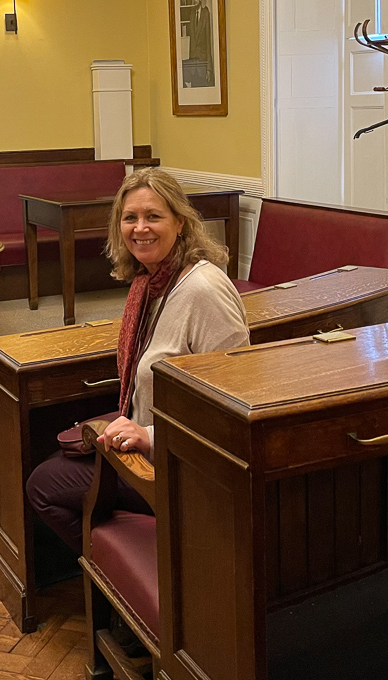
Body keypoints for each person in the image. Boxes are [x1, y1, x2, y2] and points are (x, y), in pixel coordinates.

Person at [25, 169, 249, 554]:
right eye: (130, 218)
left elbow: (236, 403)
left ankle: (137, 569)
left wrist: (150, 436)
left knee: (43, 485)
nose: (140, 228)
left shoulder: (203, 290)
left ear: (180, 222)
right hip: (145, 438)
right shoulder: (150, 283)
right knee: (50, 455)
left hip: (180, 465)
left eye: (153, 217)